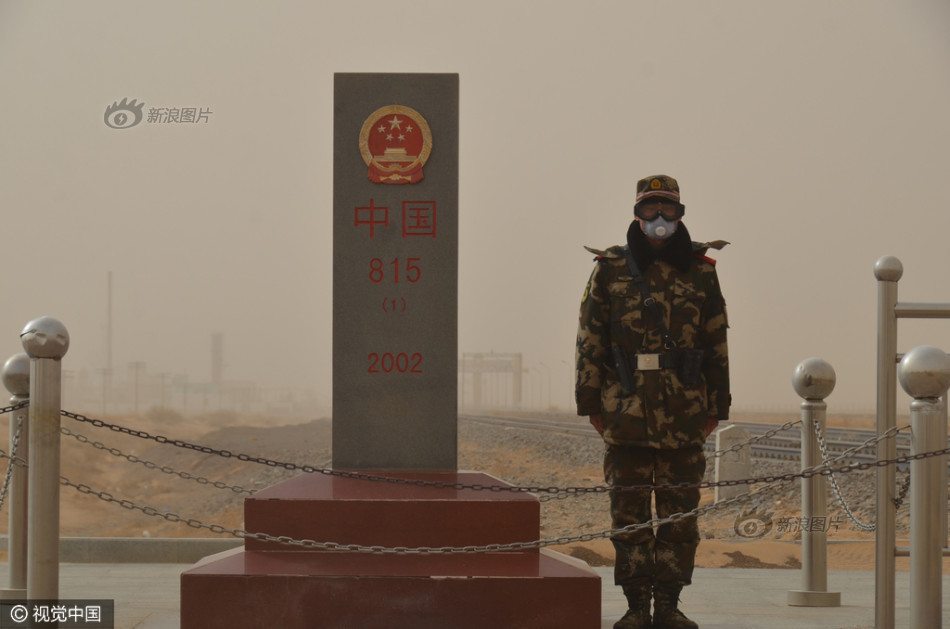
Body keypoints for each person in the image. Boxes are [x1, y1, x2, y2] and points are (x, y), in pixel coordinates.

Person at [575, 175, 730, 629]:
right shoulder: (610, 267)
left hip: (684, 414)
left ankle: (669, 604)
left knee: (680, 518)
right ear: (636, 213)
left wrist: (717, 406)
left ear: (680, 214)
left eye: (668, 210)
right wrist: (590, 404)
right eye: (649, 210)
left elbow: (716, 340)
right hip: (624, 412)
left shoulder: (701, 269)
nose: (659, 220)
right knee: (629, 516)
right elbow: (590, 340)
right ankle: (636, 606)